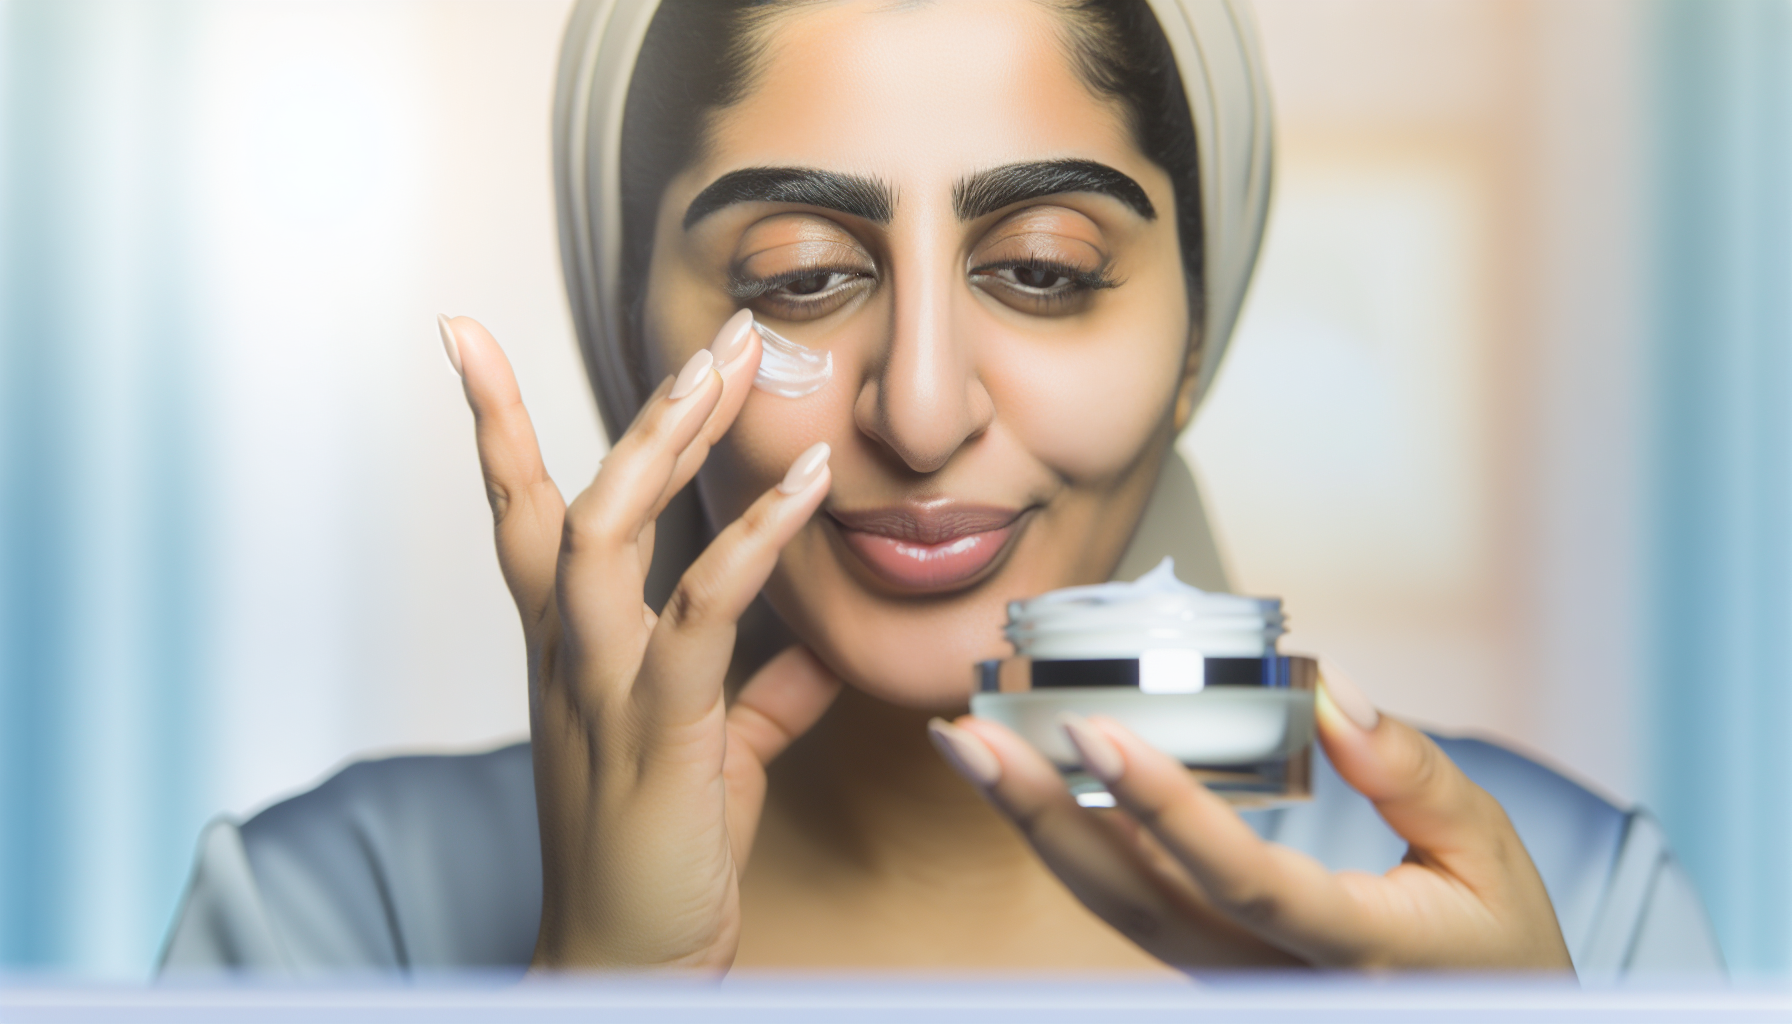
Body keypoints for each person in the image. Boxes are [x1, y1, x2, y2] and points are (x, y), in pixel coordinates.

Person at [160, 0, 1723, 980]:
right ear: (625, 322)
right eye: (801, 278)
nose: (920, 406)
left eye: (1043, 271)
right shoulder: (325, 920)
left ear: (1198, 323)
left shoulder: (1564, 911)